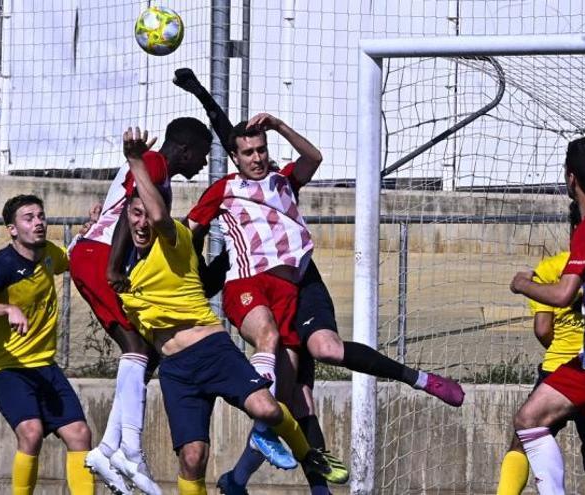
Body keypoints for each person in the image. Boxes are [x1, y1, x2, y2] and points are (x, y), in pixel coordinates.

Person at [173, 67, 464, 495]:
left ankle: (243, 478)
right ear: (235, 157)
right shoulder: (225, 189)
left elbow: (313, 158)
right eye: (248, 152)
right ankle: (271, 446)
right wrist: (191, 277)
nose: (257, 157)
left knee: (302, 389)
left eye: (262, 149)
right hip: (251, 285)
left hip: (296, 287)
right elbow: (187, 232)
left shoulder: (284, 181)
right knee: (278, 362)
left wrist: (279, 125)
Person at [113, 126, 349, 494]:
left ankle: (309, 455)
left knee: (269, 408)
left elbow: (160, 217)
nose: (142, 222)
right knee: (192, 457)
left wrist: (135, 161)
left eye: (147, 214)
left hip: (212, 351)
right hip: (176, 369)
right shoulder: (128, 276)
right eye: (135, 215)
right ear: (125, 219)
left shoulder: (173, 240)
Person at [69, 117, 212, 494]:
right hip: (101, 256)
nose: (203, 163)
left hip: (97, 256)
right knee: (137, 349)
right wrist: (115, 266)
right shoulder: (153, 164)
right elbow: (126, 214)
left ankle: (107, 450)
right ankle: (129, 450)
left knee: (147, 352)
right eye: (202, 154)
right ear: (185, 150)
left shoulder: (154, 170)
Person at [0, 194, 94, 495]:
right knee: (31, 433)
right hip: (5, 366)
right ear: (12, 229)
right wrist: (6, 309)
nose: (38, 223)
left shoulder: (49, 253)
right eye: (29, 218)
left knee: (79, 434)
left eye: (41, 216)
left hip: (43, 364)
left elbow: (71, 257)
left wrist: (91, 229)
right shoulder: (4, 264)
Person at [508, 137, 585, 495]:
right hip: (577, 364)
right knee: (529, 417)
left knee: (527, 422)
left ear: (571, 178)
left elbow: (561, 297)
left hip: (567, 363)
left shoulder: (582, 234)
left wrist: (522, 284)